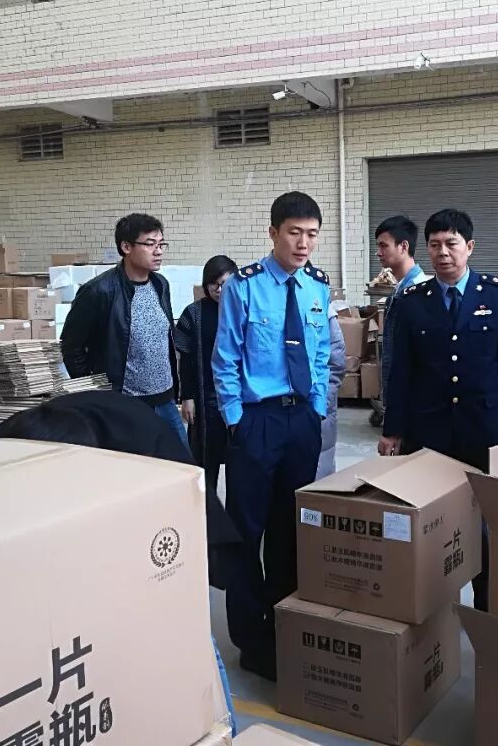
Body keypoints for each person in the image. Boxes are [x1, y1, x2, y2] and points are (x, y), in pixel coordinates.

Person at [0, 390, 242, 734]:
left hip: (166, 522)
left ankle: (225, 731)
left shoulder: (148, 464)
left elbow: (172, 543)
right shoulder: (10, 442)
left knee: (192, 629)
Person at [212, 191, 331, 680]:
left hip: (301, 420)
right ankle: (250, 638)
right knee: (247, 530)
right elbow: (225, 359)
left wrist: (317, 407)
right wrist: (236, 420)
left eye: (312, 235)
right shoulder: (244, 287)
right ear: (273, 233)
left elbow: (320, 354)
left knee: (291, 528)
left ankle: (285, 626)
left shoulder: (317, 287)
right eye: (294, 233)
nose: (303, 244)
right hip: (257, 421)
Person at [378, 207, 498, 612]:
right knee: (431, 526)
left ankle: (486, 612)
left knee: (485, 529)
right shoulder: (412, 301)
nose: (443, 252)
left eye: (451, 244)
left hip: (485, 429)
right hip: (429, 431)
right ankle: (434, 616)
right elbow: (400, 371)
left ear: (469, 247)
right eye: (435, 245)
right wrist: (392, 429)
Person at [60, 213, 189, 455]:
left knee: (183, 464)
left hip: (165, 400)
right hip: (126, 404)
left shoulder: (160, 285)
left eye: (161, 244)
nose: (158, 251)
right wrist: (99, 393)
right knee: (135, 468)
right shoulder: (99, 291)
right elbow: (71, 346)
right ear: (126, 247)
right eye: (150, 244)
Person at [176, 254, 238, 493]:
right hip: (205, 400)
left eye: (225, 283)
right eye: (214, 284)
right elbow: (186, 358)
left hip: (237, 399)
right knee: (204, 461)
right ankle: (206, 508)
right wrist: (187, 397)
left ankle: (233, 513)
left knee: (239, 462)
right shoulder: (194, 314)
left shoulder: (244, 310)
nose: (220, 290)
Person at [375, 215, 429, 400]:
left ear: (404, 246)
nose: (378, 253)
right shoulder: (401, 288)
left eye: (384, 246)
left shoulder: (417, 291)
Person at [317, 301, 347, 478]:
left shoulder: (320, 306)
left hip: (318, 410)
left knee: (317, 478)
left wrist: (321, 403)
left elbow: (336, 364)